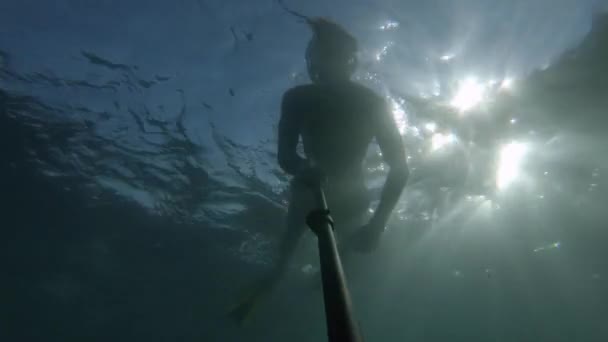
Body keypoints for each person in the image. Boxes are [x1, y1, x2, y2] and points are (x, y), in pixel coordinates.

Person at [229, 18, 409, 323]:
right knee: (284, 261)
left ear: (347, 61)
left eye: (328, 55)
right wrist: (303, 168)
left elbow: (400, 167)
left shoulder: (368, 103)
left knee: (333, 266)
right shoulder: (300, 98)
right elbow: (286, 156)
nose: (320, 64)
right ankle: (273, 294)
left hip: (343, 198)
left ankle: (303, 303)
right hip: (310, 194)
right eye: (318, 56)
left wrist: (378, 225)